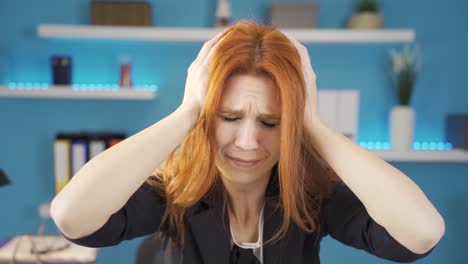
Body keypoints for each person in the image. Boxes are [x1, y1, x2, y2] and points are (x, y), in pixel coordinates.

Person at [50, 21, 445, 264]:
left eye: (271, 122)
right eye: (230, 117)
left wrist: (315, 125)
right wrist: (187, 113)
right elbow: (72, 216)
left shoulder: (310, 198)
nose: (248, 141)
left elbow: (422, 232)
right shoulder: (174, 192)